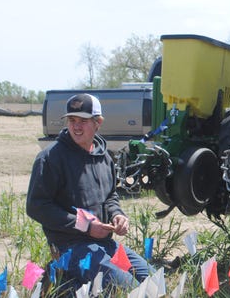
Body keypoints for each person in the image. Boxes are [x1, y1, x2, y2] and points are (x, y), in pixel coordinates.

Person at [26, 93, 152, 291]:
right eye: (72, 120)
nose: (76, 126)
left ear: (98, 122)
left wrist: (117, 215)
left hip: (105, 245)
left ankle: (73, 285)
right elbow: (36, 207)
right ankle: (65, 283)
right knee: (131, 290)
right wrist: (85, 226)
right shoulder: (50, 158)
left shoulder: (105, 158)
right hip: (71, 248)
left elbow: (110, 197)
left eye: (83, 121)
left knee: (153, 282)